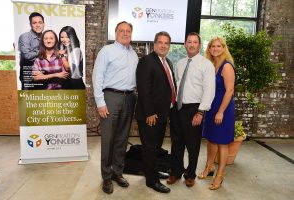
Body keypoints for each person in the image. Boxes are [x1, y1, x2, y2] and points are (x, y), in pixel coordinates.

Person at [92, 21, 138, 194]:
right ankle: (106, 177)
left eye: (128, 31)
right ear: (116, 32)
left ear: (131, 34)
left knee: (122, 139)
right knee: (108, 140)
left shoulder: (133, 54)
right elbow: (97, 77)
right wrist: (100, 102)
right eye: (122, 31)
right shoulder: (107, 51)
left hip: (129, 98)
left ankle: (117, 173)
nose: (125, 33)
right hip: (110, 97)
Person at [167, 32, 215, 187]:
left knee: (192, 145)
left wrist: (201, 112)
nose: (192, 44)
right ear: (185, 44)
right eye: (189, 42)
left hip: (194, 109)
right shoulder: (179, 63)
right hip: (177, 109)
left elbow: (209, 90)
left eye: (195, 42)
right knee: (176, 143)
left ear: (199, 46)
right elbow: (176, 86)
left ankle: (190, 174)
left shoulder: (206, 65)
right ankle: (175, 171)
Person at [135, 31, 175, 193]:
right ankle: (152, 181)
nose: (163, 46)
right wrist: (150, 113)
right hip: (150, 115)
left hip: (162, 114)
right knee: (150, 147)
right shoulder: (146, 61)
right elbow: (144, 90)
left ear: (169, 46)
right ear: (154, 44)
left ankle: (152, 171)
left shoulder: (168, 62)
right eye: (160, 42)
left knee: (156, 147)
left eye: (166, 43)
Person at [198, 36, 236, 190]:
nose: (215, 48)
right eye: (212, 46)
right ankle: (209, 167)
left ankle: (219, 176)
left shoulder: (226, 66)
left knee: (222, 142)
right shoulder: (211, 64)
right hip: (211, 107)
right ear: (209, 49)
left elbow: (230, 91)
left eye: (219, 46)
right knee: (211, 140)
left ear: (224, 48)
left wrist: (220, 111)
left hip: (223, 109)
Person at [18, 12, 45, 90]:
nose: (38, 25)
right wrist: (42, 51)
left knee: (43, 99)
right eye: (34, 23)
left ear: (43, 24)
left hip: (42, 73)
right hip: (28, 74)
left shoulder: (46, 37)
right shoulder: (25, 37)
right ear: (30, 24)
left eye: (40, 22)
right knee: (27, 100)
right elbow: (27, 55)